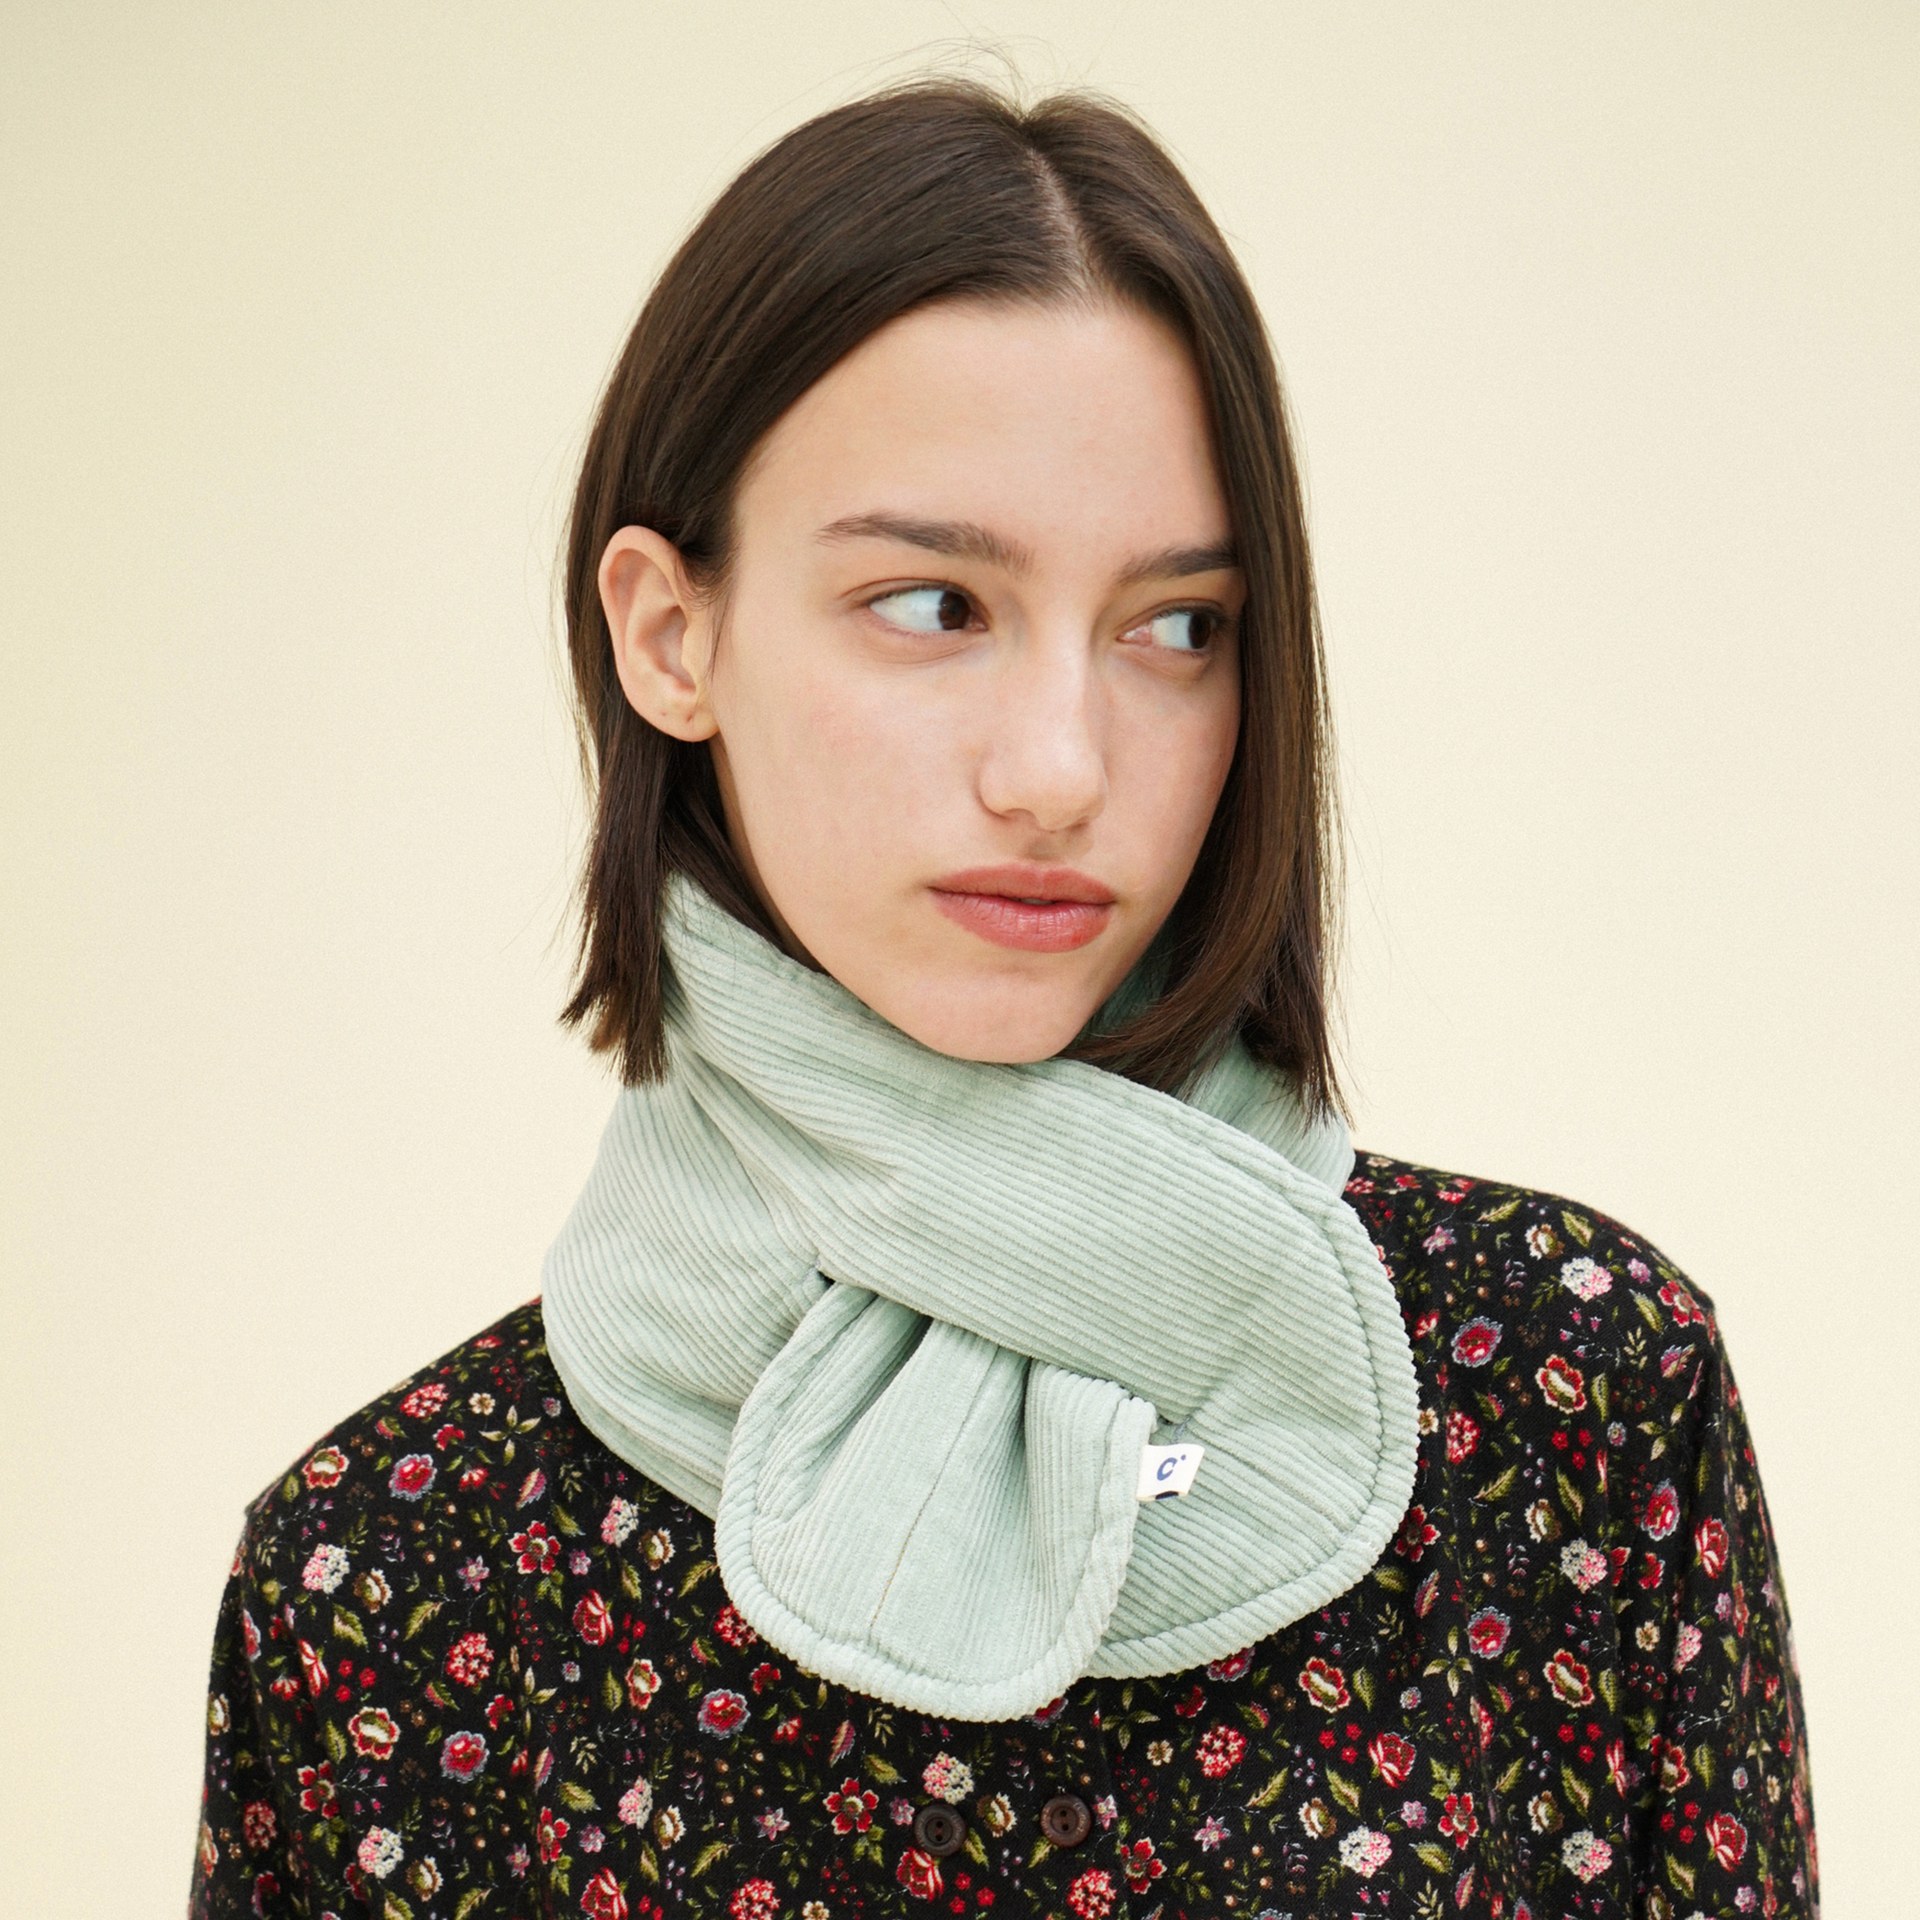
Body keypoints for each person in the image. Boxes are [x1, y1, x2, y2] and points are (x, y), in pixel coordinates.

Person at [189, 81, 1816, 1920]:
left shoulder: (1577, 1406)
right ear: (669, 633)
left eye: (1176, 628)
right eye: (934, 605)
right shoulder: (383, 1586)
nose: (1059, 768)